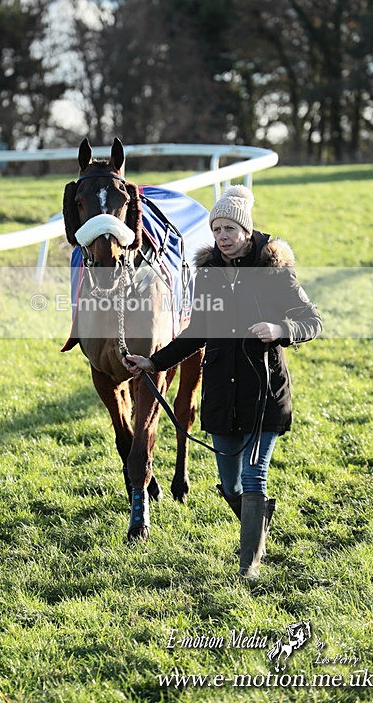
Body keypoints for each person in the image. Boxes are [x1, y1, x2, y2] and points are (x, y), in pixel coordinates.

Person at [123, 185, 322, 581]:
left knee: (253, 477)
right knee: (230, 484)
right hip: (221, 392)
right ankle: (257, 518)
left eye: (230, 228)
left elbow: (312, 321)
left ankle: (248, 565)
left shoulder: (274, 269)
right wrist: (153, 360)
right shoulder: (208, 272)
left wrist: (281, 328)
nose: (223, 237)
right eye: (216, 230)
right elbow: (198, 329)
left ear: (246, 230)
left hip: (264, 391)